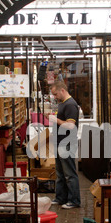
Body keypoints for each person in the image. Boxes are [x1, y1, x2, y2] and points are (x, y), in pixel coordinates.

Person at [48, 80, 81, 209]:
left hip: (66, 143)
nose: (55, 97)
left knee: (69, 174)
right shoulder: (63, 104)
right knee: (60, 173)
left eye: (56, 94)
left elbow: (70, 126)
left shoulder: (71, 105)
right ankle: (61, 198)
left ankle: (74, 201)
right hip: (60, 142)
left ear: (62, 90)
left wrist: (55, 120)